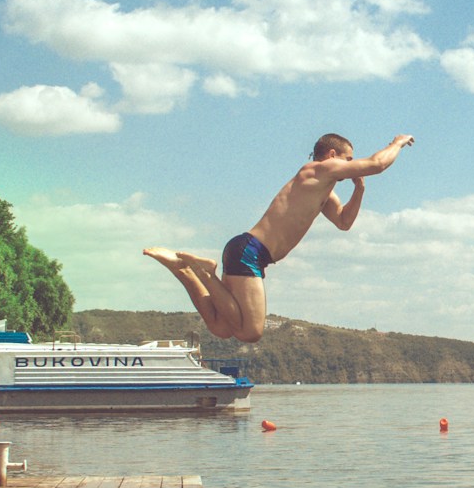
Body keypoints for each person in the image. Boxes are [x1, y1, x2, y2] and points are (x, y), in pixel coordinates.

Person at [144, 132, 414, 343]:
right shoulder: (316, 170)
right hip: (250, 252)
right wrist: (397, 143)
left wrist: (360, 189)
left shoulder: (324, 191)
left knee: (222, 326)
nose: (351, 165)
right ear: (332, 155)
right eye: (348, 159)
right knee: (251, 332)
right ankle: (206, 273)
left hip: (246, 251)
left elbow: (344, 222)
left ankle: (185, 272)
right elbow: (378, 164)